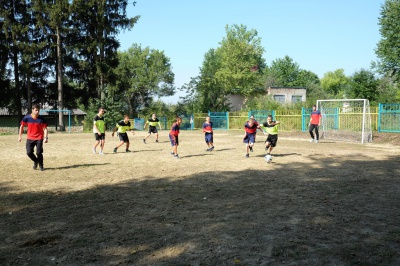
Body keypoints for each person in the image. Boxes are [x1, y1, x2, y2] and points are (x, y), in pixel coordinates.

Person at [18, 104, 48, 171]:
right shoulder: (27, 118)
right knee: (29, 152)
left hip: (39, 138)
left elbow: (45, 128)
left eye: (38, 110)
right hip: (30, 138)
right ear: (32, 110)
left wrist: (46, 137)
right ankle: (36, 161)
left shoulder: (42, 119)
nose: (37, 111)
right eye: (36, 110)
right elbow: (21, 126)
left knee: (38, 152)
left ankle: (41, 165)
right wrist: (20, 136)